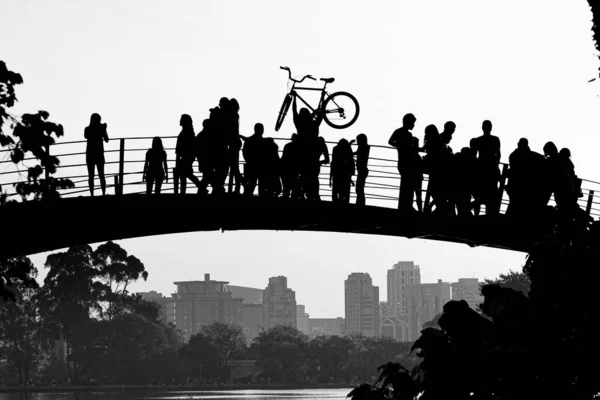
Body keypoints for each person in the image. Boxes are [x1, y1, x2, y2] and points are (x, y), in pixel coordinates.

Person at [471, 120, 501, 216]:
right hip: (491, 170)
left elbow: (474, 155)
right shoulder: (495, 139)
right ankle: (488, 217)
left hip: (481, 170)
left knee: (478, 196)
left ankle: (476, 216)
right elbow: (498, 155)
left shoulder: (479, 140)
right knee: (490, 197)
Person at [388, 113, 417, 212]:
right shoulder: (408, 135)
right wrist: (401, 146)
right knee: (408, 185)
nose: (413, 125)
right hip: (407, 162)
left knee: (406, 185)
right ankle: (407, 205)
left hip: (402, 161)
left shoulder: (399, 131)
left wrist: (399, 146)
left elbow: (391, 141)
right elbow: (409, 149)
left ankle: (405, 205)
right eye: (413, 122)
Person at [176, 114, 202, 194]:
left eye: (181, 119)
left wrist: (177, 159)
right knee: (187, 174)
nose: (180, 121)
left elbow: (180, 148)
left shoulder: (184, 133)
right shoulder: (190, 132)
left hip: (185, 156)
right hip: (189, 156)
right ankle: (201, 187)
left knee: (185, 175)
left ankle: (200, 187)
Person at [84, 113, 109, 196]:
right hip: (98, 154)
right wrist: (104, 129)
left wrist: (103, 129)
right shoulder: (99, 128)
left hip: (90, 154)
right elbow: (106, 139)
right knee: (101, 175)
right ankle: (103, 193)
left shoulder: (87, 129)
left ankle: (92, 194)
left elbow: (86, 135)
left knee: (91, 176)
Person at [243, 123, 265, 197]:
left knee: (251, 184)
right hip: (261, 165)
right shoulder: (264, 142)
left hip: (251, 165)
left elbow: (245, 153)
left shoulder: (249, 140)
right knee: (261, 184)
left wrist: (249, 161)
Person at [330, 138, 355, 203]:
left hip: (336, 174)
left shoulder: (335, 149)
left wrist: (330, 177)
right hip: (345, 175)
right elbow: (351, 161)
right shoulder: (347, 150)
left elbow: (333, 163)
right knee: (345, 194)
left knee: (335, 193)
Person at [281, 134, 300, 199]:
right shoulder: (299, 147)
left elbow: (283, 158)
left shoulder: (287, 146)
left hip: (287, 171)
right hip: (295, 172)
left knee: (286, 190)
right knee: (295, 191)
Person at [354, 133, 370, 206]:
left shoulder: (362, 147)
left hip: (362, 170)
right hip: (362, 170)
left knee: (359, 188)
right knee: (360, 188)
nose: (357, 142)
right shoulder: (364, 147)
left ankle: (360, 203)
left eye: (358, 140)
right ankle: (360, 203)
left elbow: (358, 153)